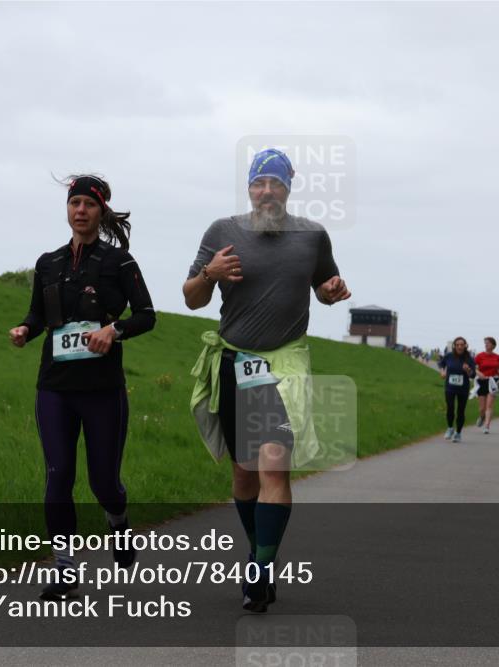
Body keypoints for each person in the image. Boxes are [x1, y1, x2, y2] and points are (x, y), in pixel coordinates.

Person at [183, 148, 349, 612]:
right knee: (243, 472)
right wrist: (209, 274)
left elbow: (326, 286)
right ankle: (259, 549)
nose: (267, 191)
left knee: (274, 463)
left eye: (276, 183)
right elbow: (193, 298)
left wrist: (333, 293)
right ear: (249, 187)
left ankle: (260, 571)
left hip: (286, 365)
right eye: (260, 183)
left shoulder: (313, 236)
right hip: (236, 362)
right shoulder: (222, 231)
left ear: (289, 187)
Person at [10, 174, 156, 599]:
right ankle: (64, 569)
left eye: (88, 205)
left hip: (101, 389)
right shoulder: (48, 262)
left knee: (103, 483)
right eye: (74, 203)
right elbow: (38, 316)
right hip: (54, 386)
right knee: (58, 476)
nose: (80, 211)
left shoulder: (119, 263)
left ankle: (118, 523)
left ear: (101, 211)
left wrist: (114, 330)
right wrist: (24, 329)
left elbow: (147, 315)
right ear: (68, 210)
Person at [437, 336, 476, 443]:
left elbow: (473, 375)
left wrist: (468, 370)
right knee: (450, 407)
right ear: (454, 346)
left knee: (460, 411)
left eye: (462, 345)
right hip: (450, 387)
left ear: (465, 346)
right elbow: (441, 363)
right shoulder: (449, 356)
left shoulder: (469, 359)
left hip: (463, 388)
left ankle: (458, 433)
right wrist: (442, 372)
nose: (459, 347)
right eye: (457, 345)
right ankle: (450, 428)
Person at [474, 337, 499, 434]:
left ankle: (487, 426)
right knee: (482, 408)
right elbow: (474, 368)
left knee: (489, 406)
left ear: (493, 345)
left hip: (492, 381)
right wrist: (479, 373)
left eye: (488, 343)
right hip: (482, 381)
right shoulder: (479, 356)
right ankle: (482, 416)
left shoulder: (497, 357)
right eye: (485, 343)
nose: (486, 345)